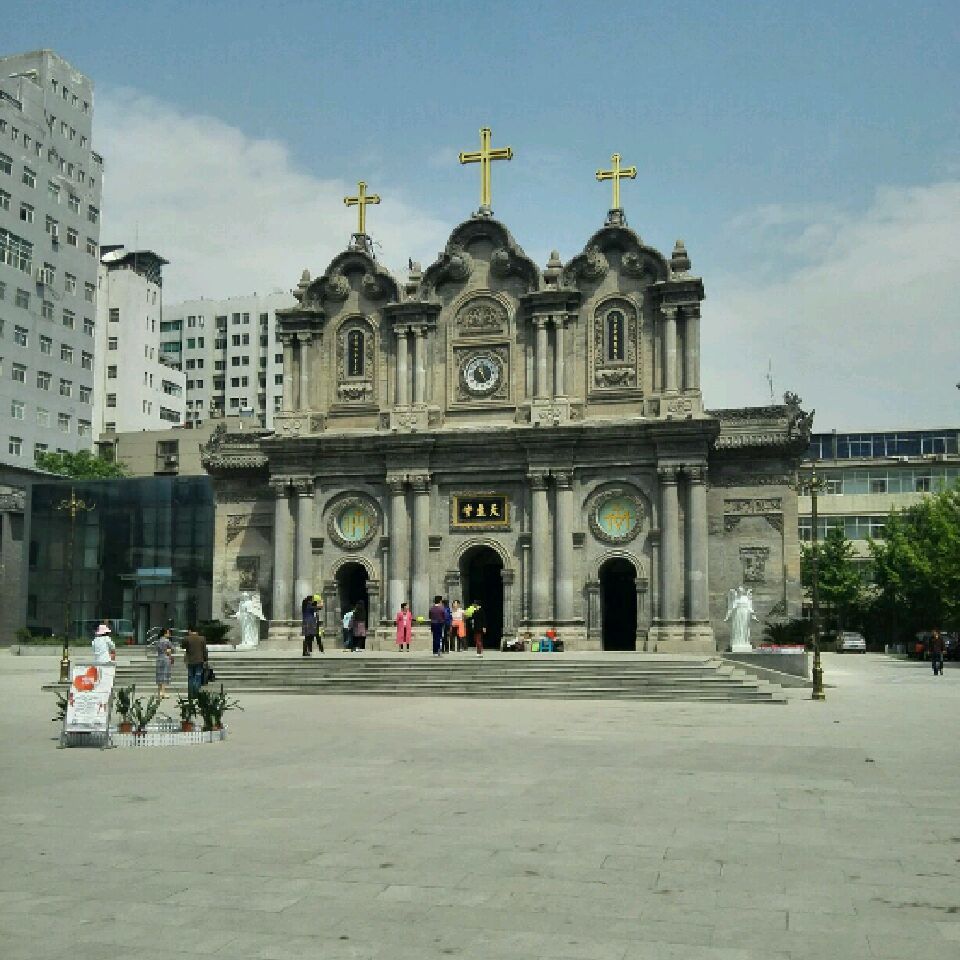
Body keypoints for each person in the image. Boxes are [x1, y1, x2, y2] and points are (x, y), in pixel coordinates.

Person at [182, 627, 209, 698]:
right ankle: (197, 694)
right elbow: (204, 650)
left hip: (190, 660)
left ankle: (191, 694)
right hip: (199, 660)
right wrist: (206, 659)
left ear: (190, 631)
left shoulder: (187, 638)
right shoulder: (202, 638)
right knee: (198, 676)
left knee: (190, 677)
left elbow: (183, 646)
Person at [155, 627, 175, 699]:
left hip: (159, 658)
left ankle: (159, 692)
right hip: (165, 658)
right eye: (168, 633)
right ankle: (163, 692)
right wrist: (170, 654)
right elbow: (172, 649)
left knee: (159, 675)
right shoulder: (167, 641)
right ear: (165, 633)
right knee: (164, 675)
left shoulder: (158, 641)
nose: (169, 634)